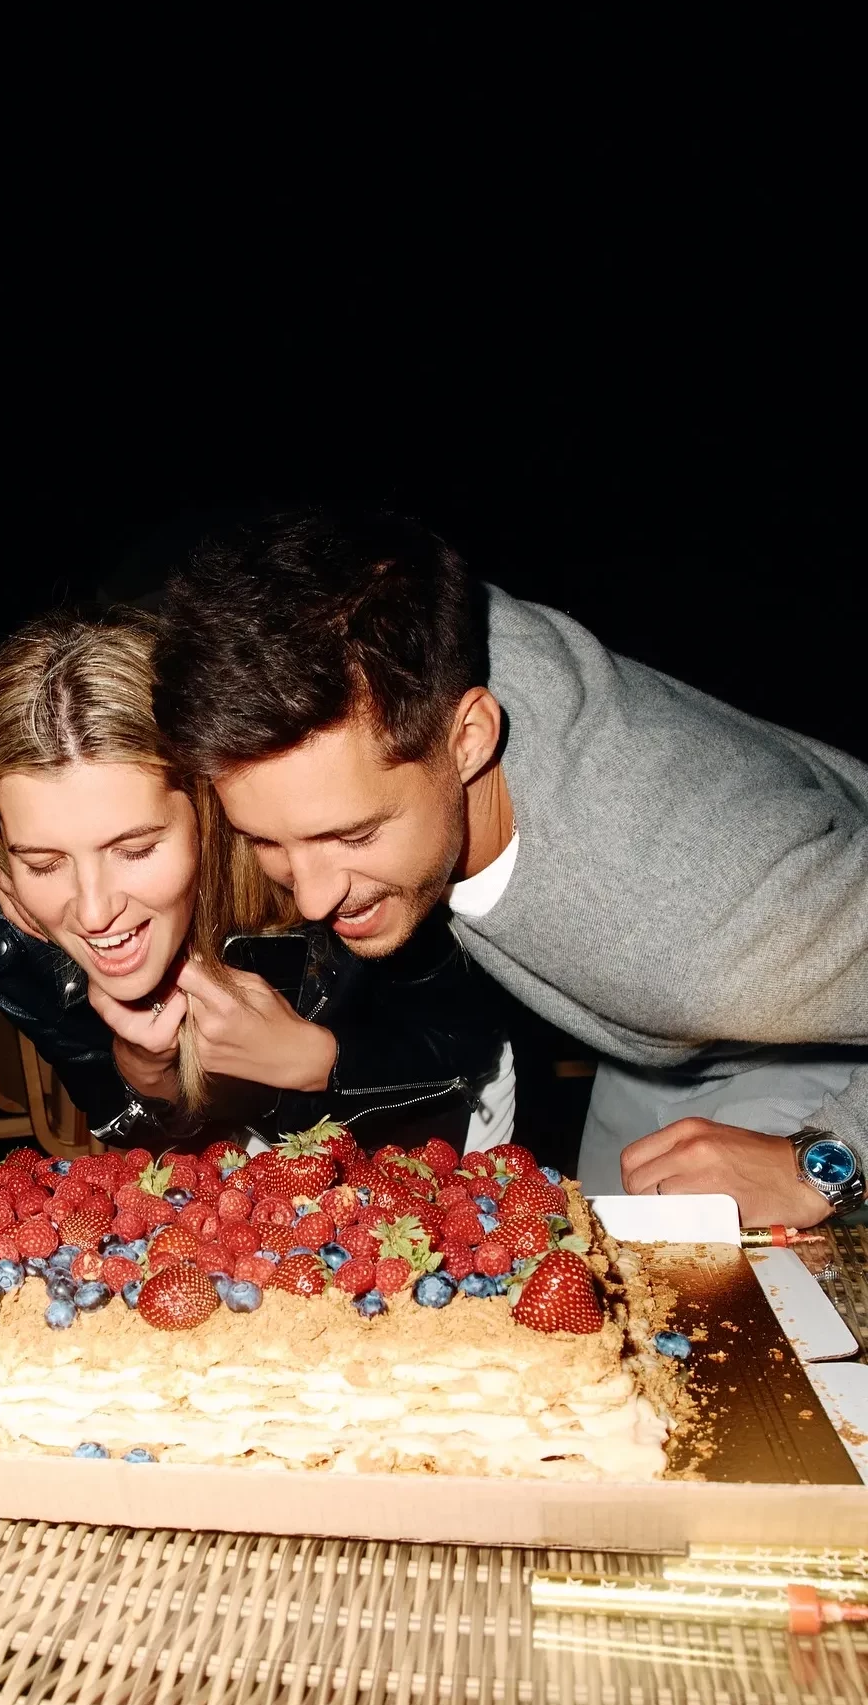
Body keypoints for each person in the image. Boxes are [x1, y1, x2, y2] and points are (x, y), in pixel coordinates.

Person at [151, 508, 868, 1226]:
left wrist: (829, 1161)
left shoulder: (697, 927)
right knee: (607, 1253)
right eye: (267, 841)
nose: (312, 899)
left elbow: (685, 944)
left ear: (469, 739)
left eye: (354, 834)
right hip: (660, 1043)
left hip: (812, 1039)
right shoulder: (395, 626)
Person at [0, 612, 509, 1152]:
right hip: (252, 1162)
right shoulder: (6, 935)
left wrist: (314, 1059)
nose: (93, 912)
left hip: (432, 1128)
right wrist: (146, 1072)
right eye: (44, 863)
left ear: (205, 803)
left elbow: (468, 1039)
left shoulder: (304, 853)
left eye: (135, 850)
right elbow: (143, 1139)